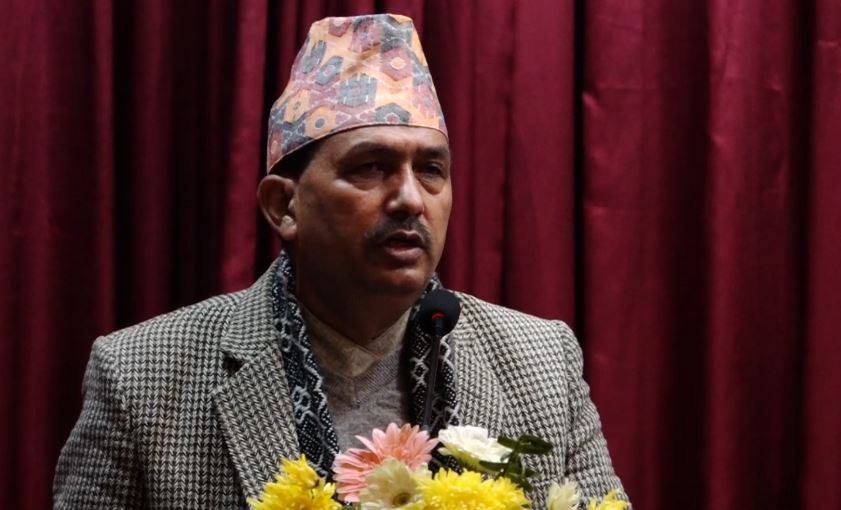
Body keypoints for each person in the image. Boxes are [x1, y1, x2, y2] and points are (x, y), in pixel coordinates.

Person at [54, 13, 628, 508]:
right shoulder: (142, 377)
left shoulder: (540, 363)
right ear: (284, 206)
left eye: (431, 170)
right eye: (370, 167)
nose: (410, 199)